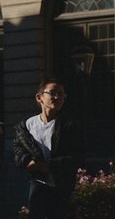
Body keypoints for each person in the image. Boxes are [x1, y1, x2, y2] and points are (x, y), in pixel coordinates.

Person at [12, 78, 84, 219]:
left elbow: (78, 156)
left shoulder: (69, 126)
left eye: (61, 94)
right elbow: (18, 147)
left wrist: (50, 166)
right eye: (53, 93)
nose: (58, 97)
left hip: (61, 185)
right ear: (39, 98)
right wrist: (26, 160)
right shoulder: (26, 125)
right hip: (37, 182)